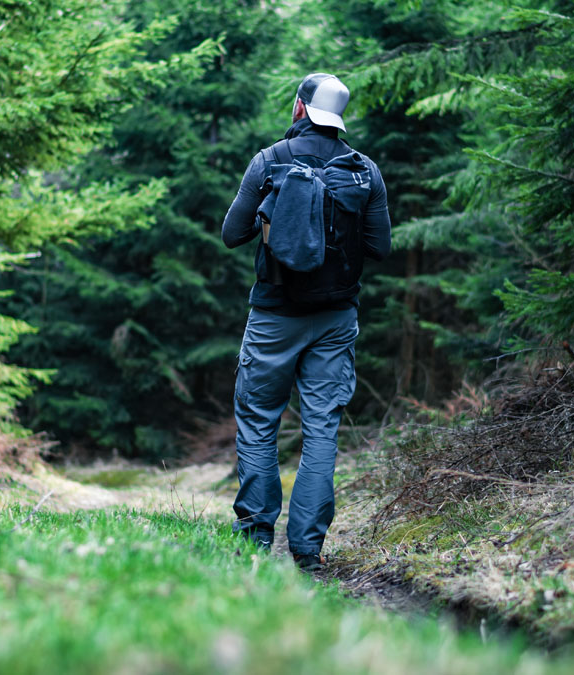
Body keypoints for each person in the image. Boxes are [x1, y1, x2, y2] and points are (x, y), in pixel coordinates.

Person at [220, 73, 392, 571]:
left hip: (275, 315)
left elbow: (232, 234)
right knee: (321, 430)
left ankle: (255, 536)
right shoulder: (365, 171)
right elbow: (380, 247)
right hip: (336, 319)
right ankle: (307, 551)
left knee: (259, 420)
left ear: (300, 108)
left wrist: (273, 216)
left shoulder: (269, 160)